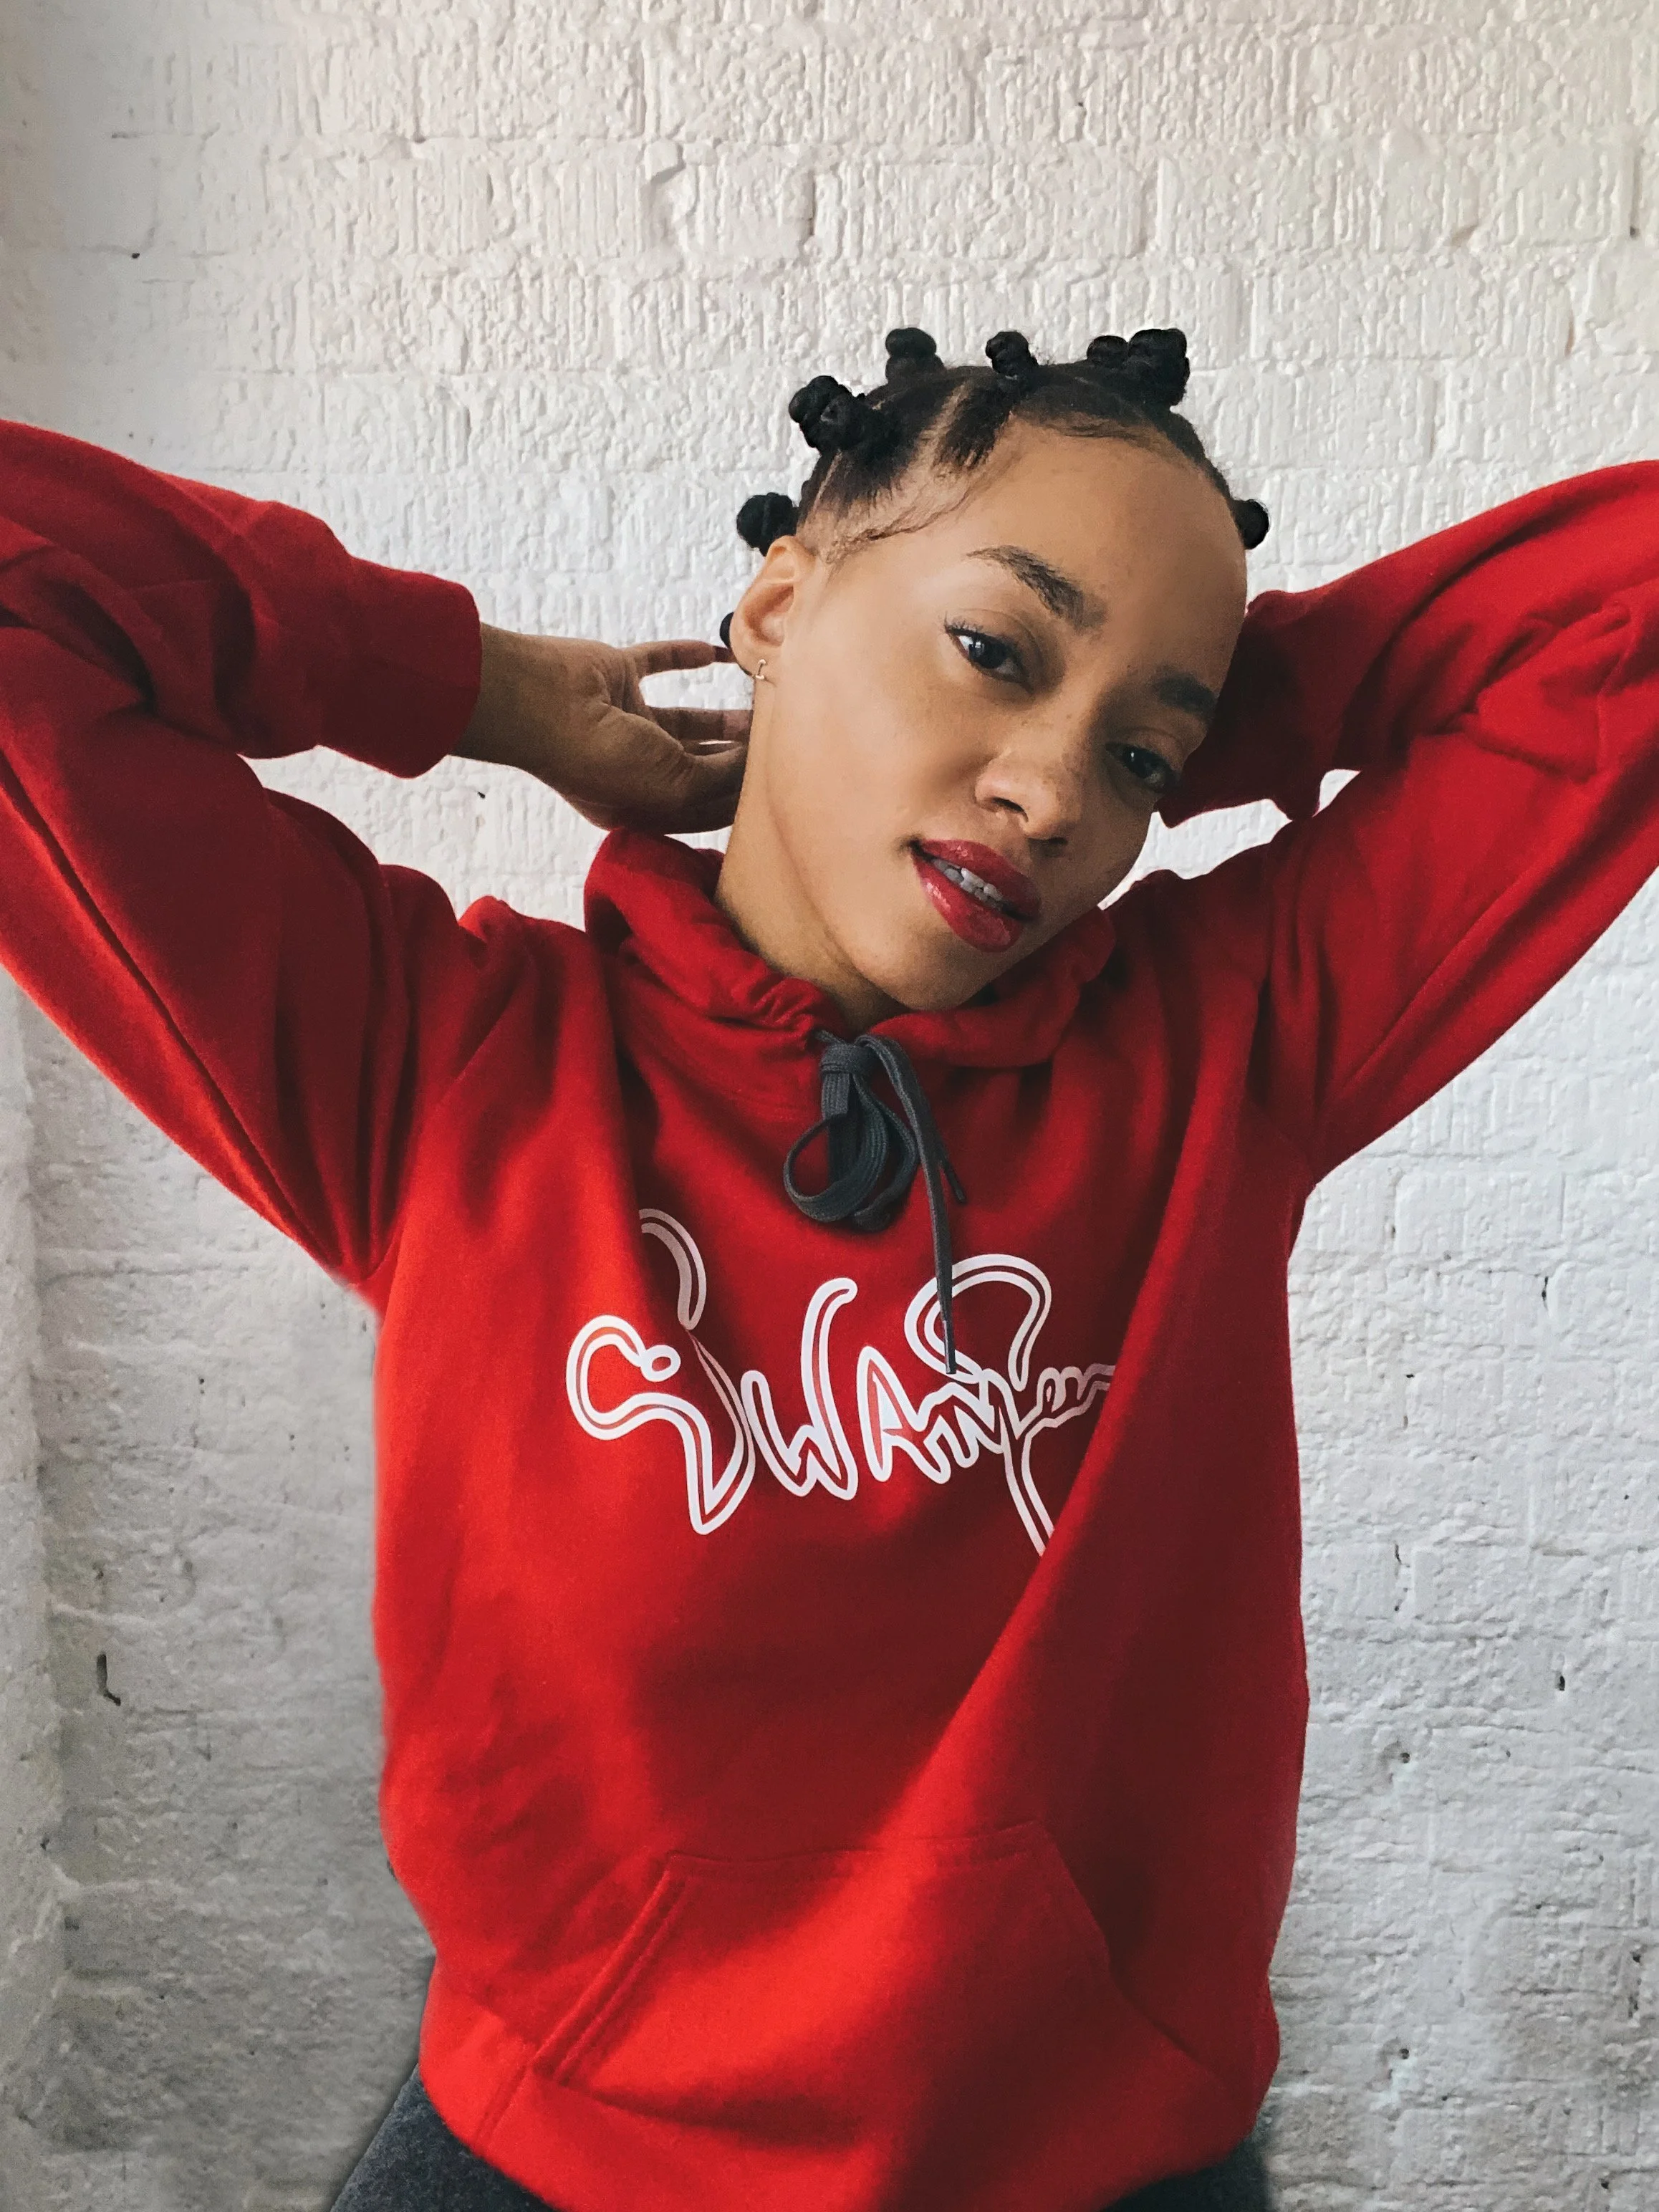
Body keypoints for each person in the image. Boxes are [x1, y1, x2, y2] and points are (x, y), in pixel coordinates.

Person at [0, 322, 1652, 2212]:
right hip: (558, 2158)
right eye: (996, 650)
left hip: (1097, 2170)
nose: (1053, 795)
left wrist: (1214, 715)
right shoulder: (445, 1071)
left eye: (1135, 755)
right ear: (779, 605)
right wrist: (484, 689)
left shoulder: (1232, 1049)